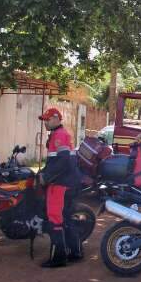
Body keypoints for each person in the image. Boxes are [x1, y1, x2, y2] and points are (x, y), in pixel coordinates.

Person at [37, 107, 82, 267]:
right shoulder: (59, 134)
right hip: (68, 182)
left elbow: (63, 161)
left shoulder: (60, 135)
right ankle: (75, 252)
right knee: (66, 218)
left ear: (56, 119)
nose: (45, 123)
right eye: (44, 120)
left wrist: (46, 177)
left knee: (55, 218)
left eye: (47, 120)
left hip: (60, 184)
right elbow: (57, 161)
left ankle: (59, 258)